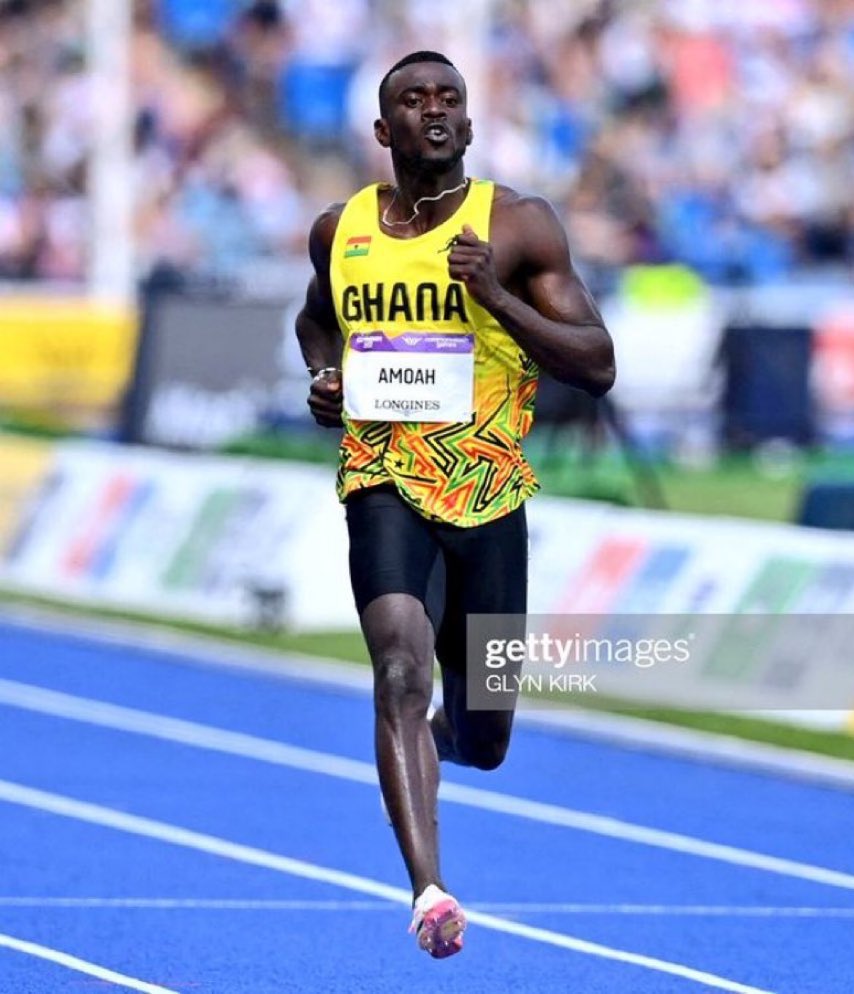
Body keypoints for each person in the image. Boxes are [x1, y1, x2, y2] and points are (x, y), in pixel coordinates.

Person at [295, 50, 615, 959]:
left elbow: (596, 364)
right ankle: (429, 889)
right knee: (398, 668)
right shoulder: (340, 229)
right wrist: (325, 375)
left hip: (487, 492)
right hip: (383, 475)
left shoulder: (516, 225)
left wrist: (494, 296)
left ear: (468, 124)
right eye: (412, 99)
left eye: (448, 99)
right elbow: (316, 318)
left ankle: (445, 739)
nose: (432, 110)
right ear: (382, 128)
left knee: (486, 735)